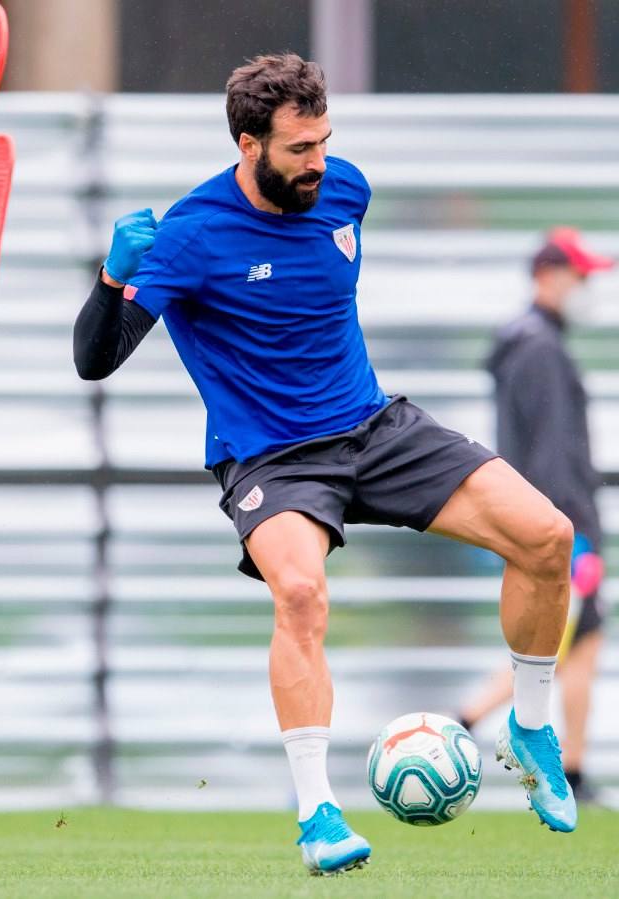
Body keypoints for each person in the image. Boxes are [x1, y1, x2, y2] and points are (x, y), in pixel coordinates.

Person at [73, 54, 578, 875]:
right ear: (248, 144)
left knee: (547, 536)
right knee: (301, 593)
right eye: (300, 148)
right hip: (272, 455)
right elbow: (96, 362)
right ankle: (317, 815)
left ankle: (529, 727)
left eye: (324, 141)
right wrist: (113, 277)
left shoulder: (346, 191)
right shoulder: (191, 236)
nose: (319, 163)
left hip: (373, 427)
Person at [459, 228, 613, 804]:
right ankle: (463, 723)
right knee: (558, 641)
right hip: (560, 522)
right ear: (549, 277)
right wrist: (576, 540)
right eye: (582, 277)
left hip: (552, 517)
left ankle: (571, 770)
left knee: (582, 640)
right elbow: (552, 452)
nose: (589, 288)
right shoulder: (540, 349)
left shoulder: (528, 341)